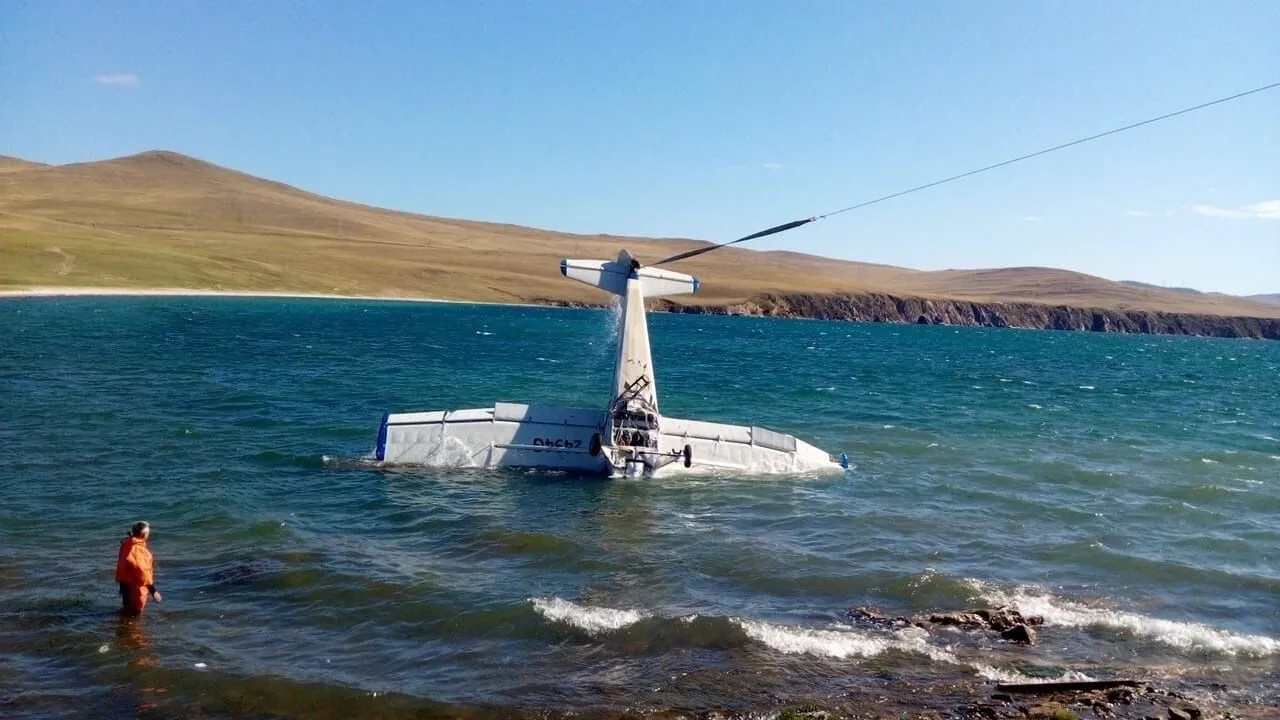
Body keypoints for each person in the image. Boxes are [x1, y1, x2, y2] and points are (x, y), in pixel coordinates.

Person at [115, 521, 162, 614]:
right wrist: (154, 591)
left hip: (125, 584)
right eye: (148, 533)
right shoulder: (139, 551)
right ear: (144, 534)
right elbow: (144, 573)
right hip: (136, 588)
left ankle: (126, 625)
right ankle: (131, 627)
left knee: (127, 609)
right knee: (135, 612)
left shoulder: (127, 543)